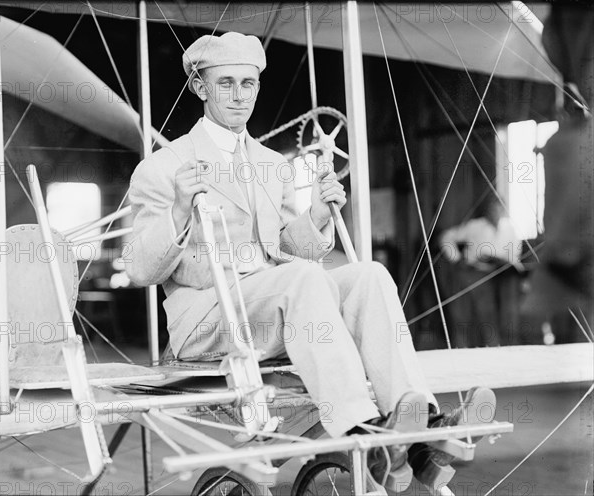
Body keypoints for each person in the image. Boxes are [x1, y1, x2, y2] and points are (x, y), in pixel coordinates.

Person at [125, 31, 495, 493]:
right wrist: (180, 208)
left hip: (273, 304)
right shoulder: (164, 166)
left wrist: (316, 216)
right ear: (200, 88)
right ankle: (363, 432)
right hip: (207, 318)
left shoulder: (270, 164)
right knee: (300, 280)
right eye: (226, 84)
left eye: (249, 83)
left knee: (368, 276)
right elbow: (140, 268)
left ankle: (419, 425)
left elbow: (284, 248)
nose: (241, 96)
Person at [439, 202, 523, 346]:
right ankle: (486, 346)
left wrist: (504, 262)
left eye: (499, 209)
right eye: (492, 209)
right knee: (481, 311)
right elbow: (446, 237)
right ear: (487, 211)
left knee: (507, 312)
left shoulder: (510, 229)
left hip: (502, 275)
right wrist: (456, 258)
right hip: (476, 273)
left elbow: (515, 254)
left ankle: (504, 348)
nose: (495, 213)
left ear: (503, 211)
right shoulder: (474, 226)